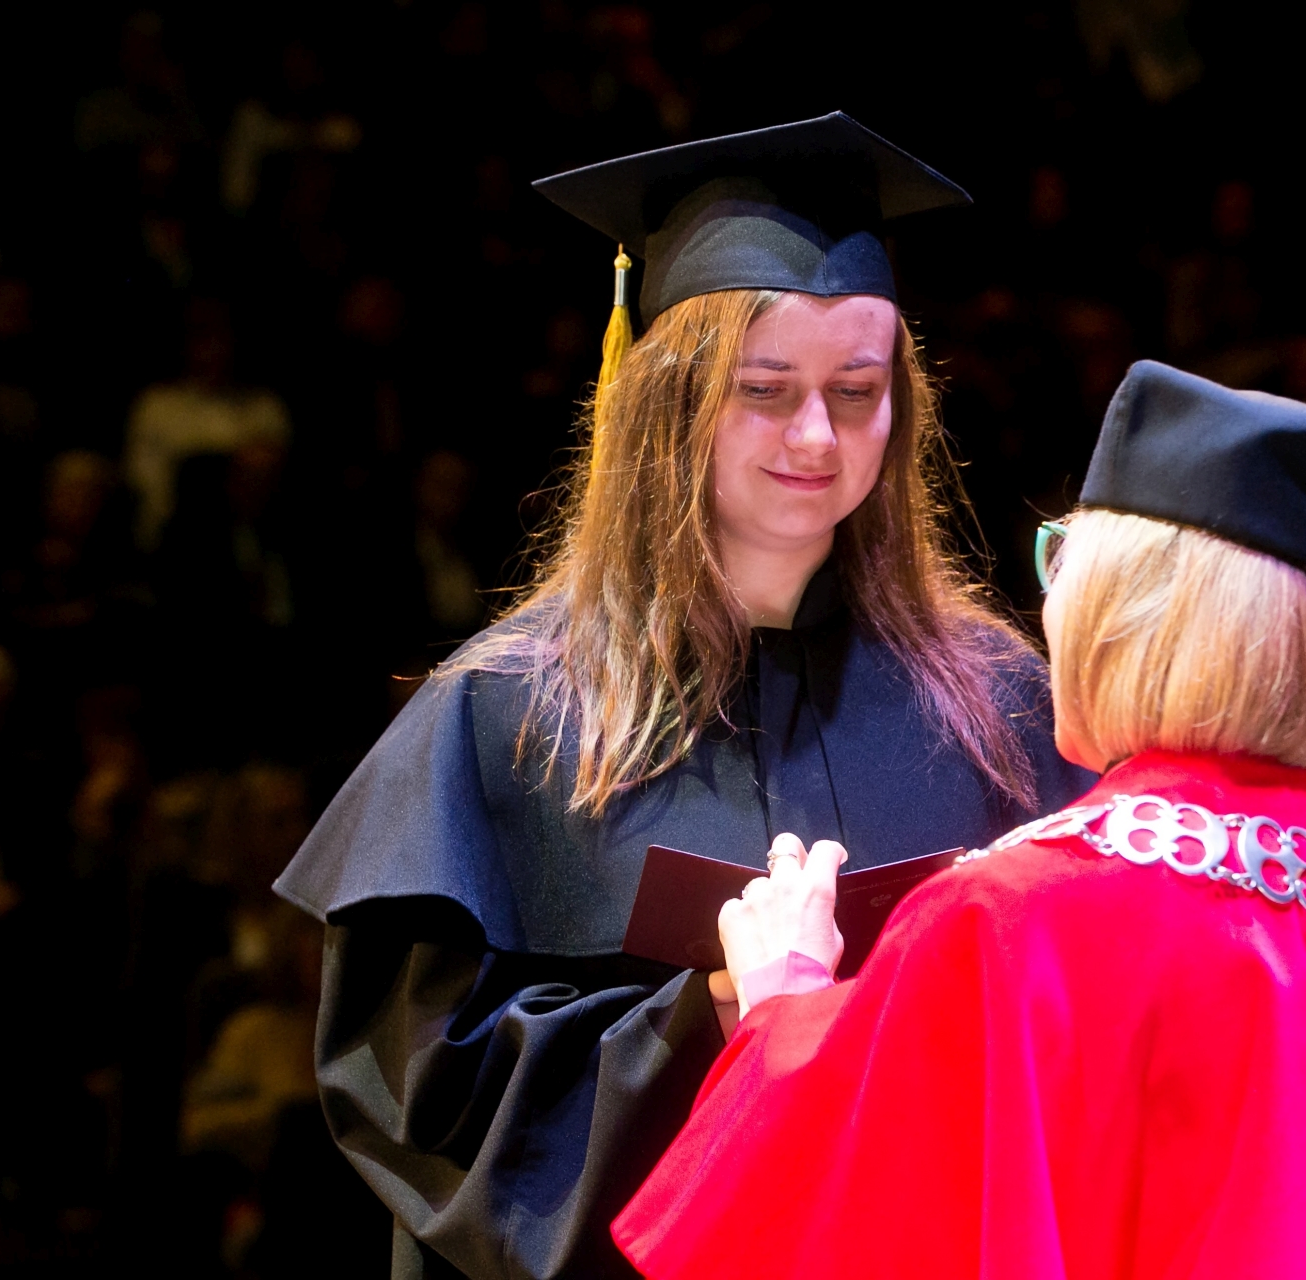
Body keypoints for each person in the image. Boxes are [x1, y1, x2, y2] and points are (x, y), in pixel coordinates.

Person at [272, 113, 1093, 1279]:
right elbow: (419, 1096)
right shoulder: (512, 714)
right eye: (766, 388)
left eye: (857, 389)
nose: (816, 434)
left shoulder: (999, 710)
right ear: (669, 400)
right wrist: (711, 1017)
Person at [613, 361, 1306, 1279]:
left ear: (1126, 611)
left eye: (1062, 561)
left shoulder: (1020, 916)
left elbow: (850, 1220)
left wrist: (781, 1009)